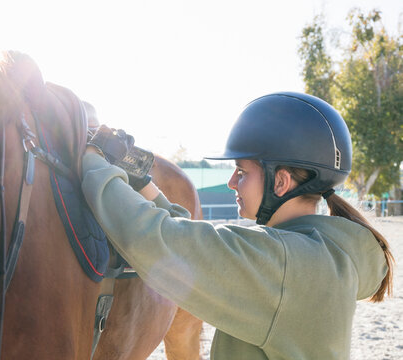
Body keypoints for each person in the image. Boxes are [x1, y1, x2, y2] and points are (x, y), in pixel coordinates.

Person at [81, 92, 394, 359]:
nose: (231, 182)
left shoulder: (283, 265)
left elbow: (155, 239)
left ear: (281, 181)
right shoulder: (324, 254)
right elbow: (199, 246)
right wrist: (144, 183)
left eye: (241, 172)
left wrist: (93, 158)